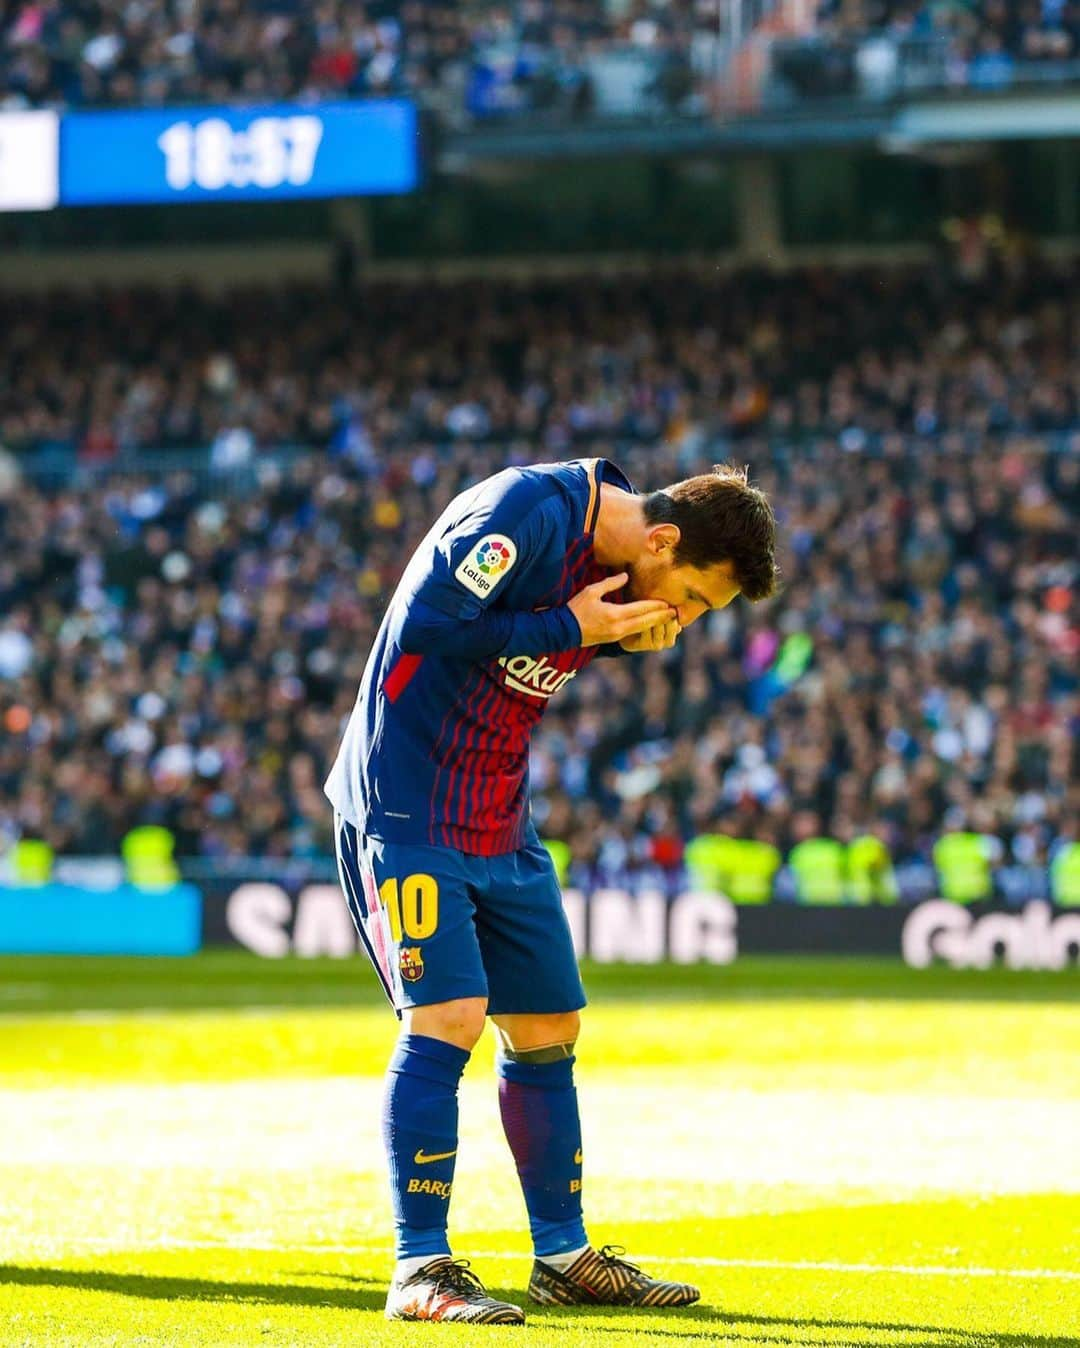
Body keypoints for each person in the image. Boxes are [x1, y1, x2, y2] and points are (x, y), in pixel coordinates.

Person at [325, 456, 778, 1324]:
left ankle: (563, 1257)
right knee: (447, 1018)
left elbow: (529, 658)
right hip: (407, 801)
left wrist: (595, 639)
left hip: (499, 812)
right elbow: (426, 623)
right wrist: (569, 625)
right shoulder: (524, 512)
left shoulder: (619, 565)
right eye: (693, 597)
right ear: (663, 539)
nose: (683, 618)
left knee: (547, 1028)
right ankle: (420, 1266)